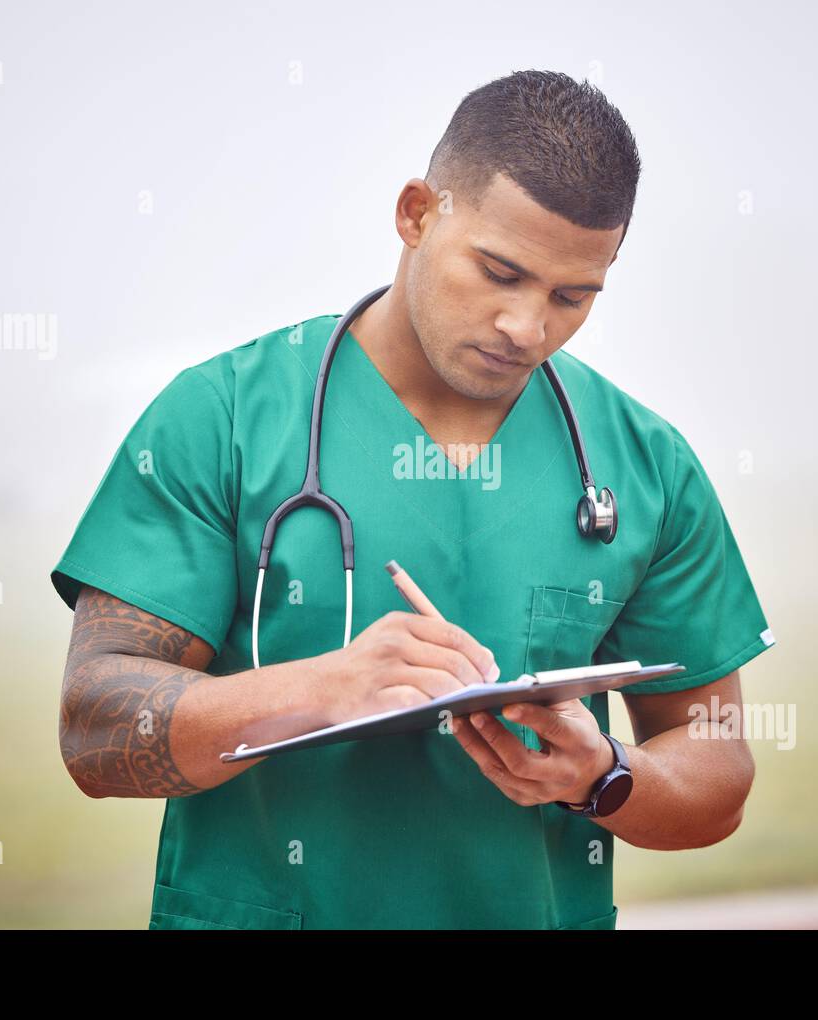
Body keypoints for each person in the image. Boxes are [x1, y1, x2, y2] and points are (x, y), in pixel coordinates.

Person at [51, 69, 775, 930]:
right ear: (416, 214)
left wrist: (608, 776)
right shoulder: (223, 419)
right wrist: (322, 690)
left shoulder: (645, 463)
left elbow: (718, 770)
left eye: (572, 295)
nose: (527, 327)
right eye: (499, 271)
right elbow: (95, 731)